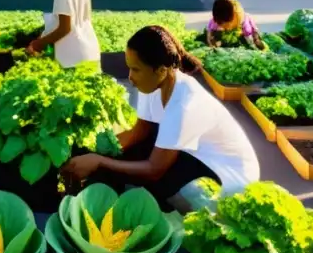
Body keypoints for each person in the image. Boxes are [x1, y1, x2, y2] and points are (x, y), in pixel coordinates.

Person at [62, 26, 260, 205]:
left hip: (226, 176)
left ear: (161, 70)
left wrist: (100, 161)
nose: (129, 77)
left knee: (153, 181)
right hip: (192, 155)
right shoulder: (153, 86)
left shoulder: (185, 103)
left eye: (135, 69)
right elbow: (138, 134)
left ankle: (181, 212)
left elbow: (154, 170)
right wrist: (92, 152)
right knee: (130, 154)